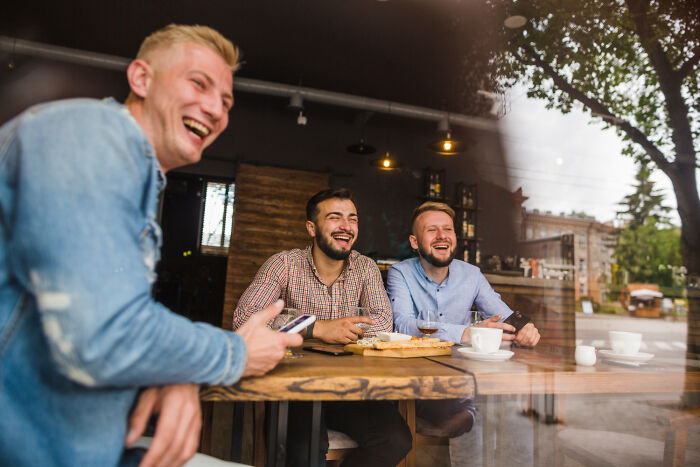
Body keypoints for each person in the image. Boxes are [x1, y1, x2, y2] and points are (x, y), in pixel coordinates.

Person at [0, 24, 300, 466]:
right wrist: (233, 353)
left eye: (227, 100)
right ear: (141, 79)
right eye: (199, 83)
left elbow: (115, 323)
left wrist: (176, 371)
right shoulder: (90, 136)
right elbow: (102, 336)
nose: (216, 108)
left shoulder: (135, 171)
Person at [233, 188, 412, 467]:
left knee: (396, 439)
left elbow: (382, 320)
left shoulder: (366, 268)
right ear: (311, 227)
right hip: (295, 388)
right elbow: (246, 318)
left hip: (350, 388)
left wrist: (346, 330)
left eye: (352, 219)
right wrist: (316, 328)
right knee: (304, 450)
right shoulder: (283, 264)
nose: (346, 226)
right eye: (334, 217)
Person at [387, 201, 540, 436]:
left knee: (515, 415)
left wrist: (526, 327)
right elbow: (402, 325)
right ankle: (466, 418)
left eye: (448, 229)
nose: (442, 236)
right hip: (416, 380)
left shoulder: (471, 274)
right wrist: (467, 333)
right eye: (432, 230)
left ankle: (467, 420)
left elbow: (504, 316)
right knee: (479, 412)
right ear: (415, 242)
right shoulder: (401, 273)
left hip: (463, 378)